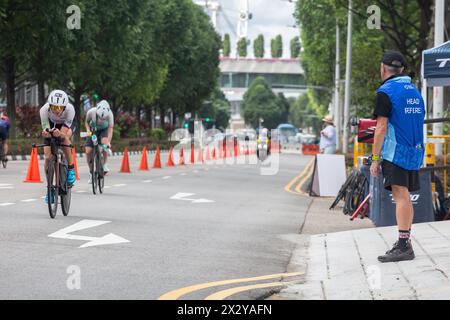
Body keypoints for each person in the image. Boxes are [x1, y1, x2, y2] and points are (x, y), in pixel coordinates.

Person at [370, 51, 425, 263]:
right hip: (414, 150)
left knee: (400, 196)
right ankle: (405, 241)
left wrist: (375, 159)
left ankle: (403, 246)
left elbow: (381, 127)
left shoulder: (386, 92)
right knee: (405, 196)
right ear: (401, 70)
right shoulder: (414, 91)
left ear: (383, 68)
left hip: (395, 151)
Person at [40, 89, 76, 203]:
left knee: (64, 138)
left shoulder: (70, 110)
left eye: (60, 107)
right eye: (54, 107)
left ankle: (70, 169)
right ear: (50, 106)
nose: (57, 110)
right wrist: (46, 133)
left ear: (64, 107)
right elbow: (45, 129)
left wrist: (60, 134)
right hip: (51, 124)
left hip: (65, 126)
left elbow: (64, 133)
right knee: (47, 157)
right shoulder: (43, 110)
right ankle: (50, 188)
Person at [85, 100, 114, 181]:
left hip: (104, 130)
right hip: (93, 130)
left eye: (103, 118)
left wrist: (108, 142)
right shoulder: (91, 112)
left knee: (105, 144)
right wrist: (88, 130)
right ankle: (91, 172)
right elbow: (86, 122)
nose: (101, 119)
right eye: (100, 117)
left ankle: (104, 164)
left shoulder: (110, 115)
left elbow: (110, 129)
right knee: (88, 151)